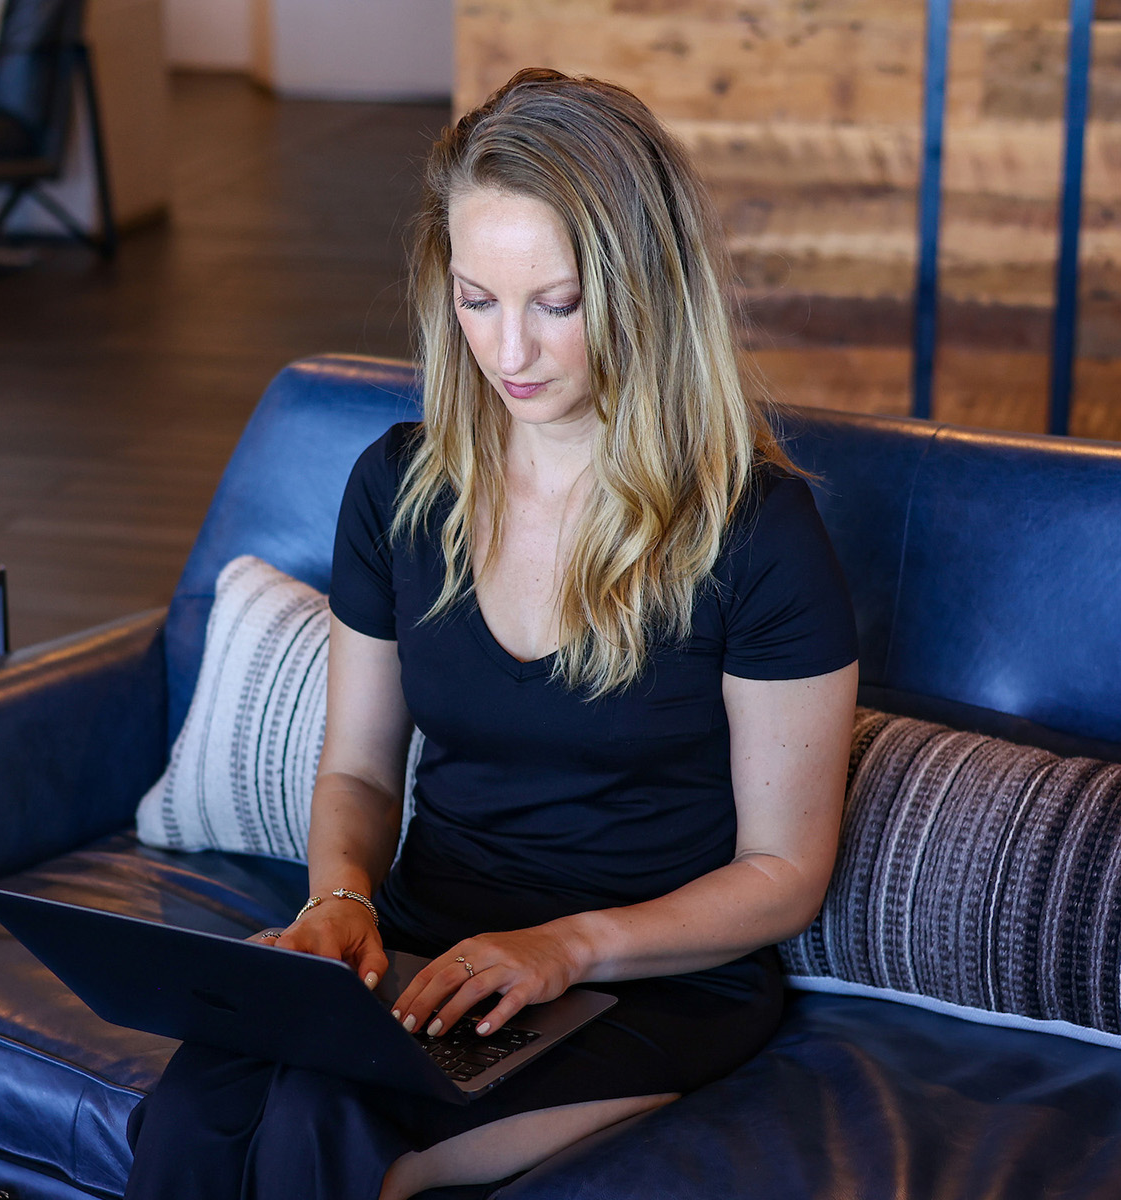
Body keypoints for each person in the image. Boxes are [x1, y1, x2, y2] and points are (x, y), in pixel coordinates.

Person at [124, 67, 860, 1200]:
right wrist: (339, 900)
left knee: (324, 1137)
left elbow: (784, 875)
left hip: (647, 977)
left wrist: (567, 946)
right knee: (191, 1118)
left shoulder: (756, 532)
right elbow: (360, 771)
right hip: (429, 942)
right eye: (478, 300)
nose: (509, 352)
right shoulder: (398, 488)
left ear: (646, 291)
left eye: (556, 305)